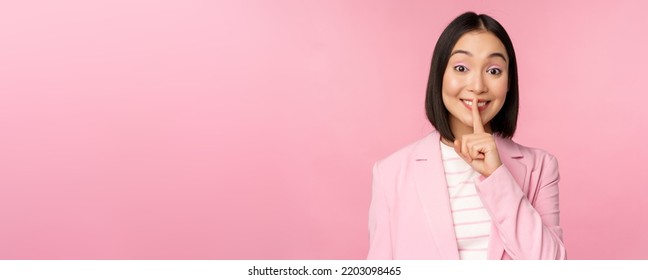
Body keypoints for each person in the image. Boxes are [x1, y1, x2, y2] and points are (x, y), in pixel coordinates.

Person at [367, 12, 566, 260]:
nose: (478, 85)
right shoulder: (391, 173)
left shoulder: (541, 167)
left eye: (494, 71)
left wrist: (496, 175)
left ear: (509, 82)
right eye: (461, 68)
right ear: (440, 74)